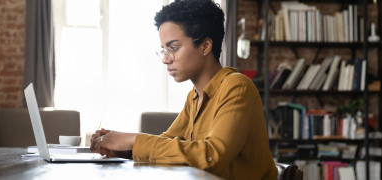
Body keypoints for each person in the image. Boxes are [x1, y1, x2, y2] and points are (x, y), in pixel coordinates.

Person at [90, 0, 277, 179]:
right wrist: (123, 148)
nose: (165, 59)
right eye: (163, 50)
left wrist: (133, 140)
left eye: (173, 48)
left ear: (205, 46)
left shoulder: (237, 87)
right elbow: (168, 143)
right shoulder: (194, 97)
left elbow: (211, 157)